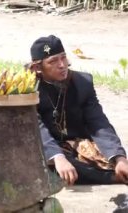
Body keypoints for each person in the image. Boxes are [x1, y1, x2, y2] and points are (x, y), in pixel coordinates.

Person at [29, 35, 128, 185]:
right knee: (42, 162)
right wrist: (57, 156)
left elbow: (98, 122)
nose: (62, 65)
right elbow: (37, 127)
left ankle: (115, 172)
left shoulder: (82, 83)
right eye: (53, 61)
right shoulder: (27, 89)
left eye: (63, 58)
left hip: (77, 144)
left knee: (110, 159)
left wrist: (119, 158)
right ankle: (112, 178)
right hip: (46, 146)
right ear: (37, 68)